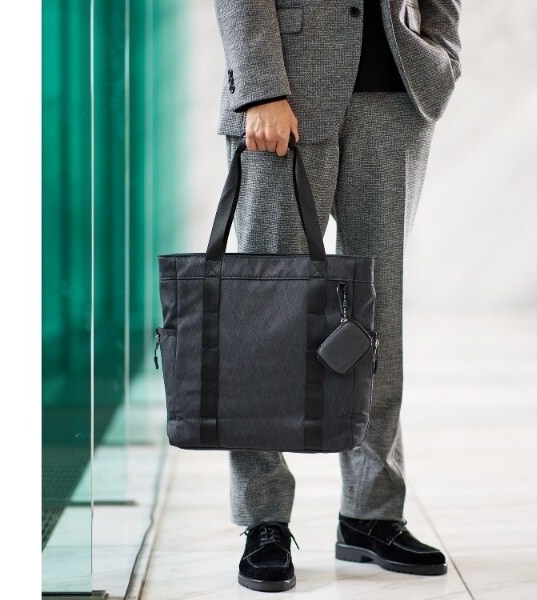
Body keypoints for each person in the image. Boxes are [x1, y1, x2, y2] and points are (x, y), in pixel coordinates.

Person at [213, 0, 462, 592]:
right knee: (267, 312)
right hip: (284, 98)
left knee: (378, 311)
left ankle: (371, 513)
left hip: (397, 98)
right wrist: (260, 89)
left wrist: (442, 55)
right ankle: (264, 519)